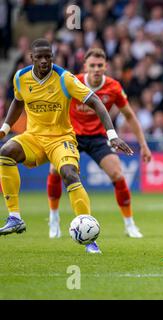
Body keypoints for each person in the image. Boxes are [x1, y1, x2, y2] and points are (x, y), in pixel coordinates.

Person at [0, 39, 133, 254]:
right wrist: (5, 128)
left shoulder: (65, 78)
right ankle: (15, 217)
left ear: (53, 57)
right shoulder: (20, 77)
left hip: (61, 139)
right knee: (5, 153)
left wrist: (112, 135)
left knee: (69, 174)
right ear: (31, 58)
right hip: (33, 137)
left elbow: (96, 102)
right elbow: (18, 100)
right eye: (40, 57)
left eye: (48, 56)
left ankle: (90, 239)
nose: (44, 61)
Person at [46, 48, 152, 239]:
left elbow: (130, 116)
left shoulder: (113, 87)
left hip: (98, 138)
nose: (96, 69)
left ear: (106, 67)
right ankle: (54, 218)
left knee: (118, 175)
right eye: (92, 65)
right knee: (54, 170)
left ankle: (130, 224)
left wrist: (143, 144)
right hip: (72, 136)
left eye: (99, 65)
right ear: (85, 66)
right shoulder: (72, 82)